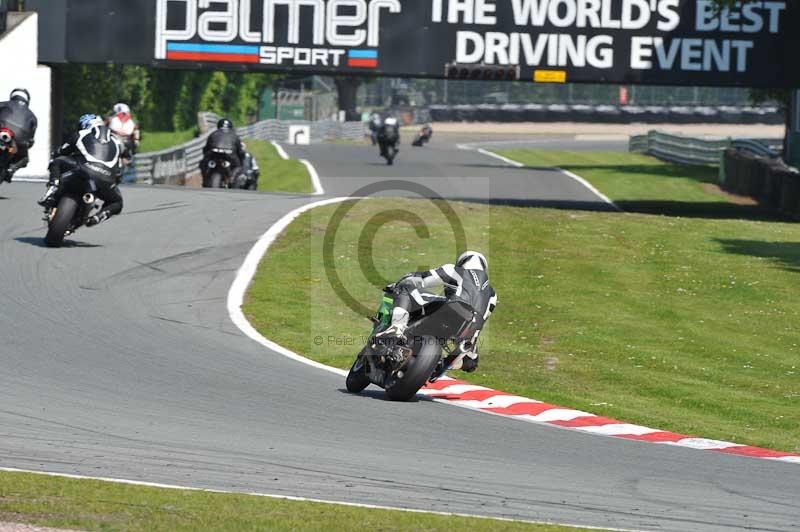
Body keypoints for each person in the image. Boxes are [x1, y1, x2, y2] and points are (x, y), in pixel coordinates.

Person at [377, 251, 498, 373]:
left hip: (451, 308)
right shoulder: (492, 294)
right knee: (471, 362)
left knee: (405, 289)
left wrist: (401, 281)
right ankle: (441, 366)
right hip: (469, 329)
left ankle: (397, 327)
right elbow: (483, 318)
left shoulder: (454, 270)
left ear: (462, 262)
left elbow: (422, 280)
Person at [38, 114, 123, 227]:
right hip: (105, 178)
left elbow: (60, 152)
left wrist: (57, 154)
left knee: (57, 161)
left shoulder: (81, 134)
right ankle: (99, 216)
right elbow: (119, 171)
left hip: (83, 170)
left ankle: (53, 188)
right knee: (117, 202)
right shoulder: (117, 143)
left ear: (84, 125)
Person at [0, 88, 38, 182]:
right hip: (17, 140)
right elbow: (31, 140)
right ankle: (11, 169)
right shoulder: (32, 116)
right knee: (24, 158)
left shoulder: (4, 104)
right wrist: (27, 144)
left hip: (3, 134)